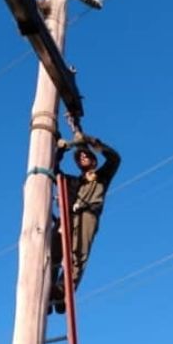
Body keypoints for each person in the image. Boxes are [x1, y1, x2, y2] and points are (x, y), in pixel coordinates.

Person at [50, 134, 121, 314]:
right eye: (79, 157)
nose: (82, 157)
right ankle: (49, 290)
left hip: (87, 215)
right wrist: (61, 150)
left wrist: (92, 142)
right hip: (67, 217)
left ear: (94, 160)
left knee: (77, 254)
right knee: (53, 252)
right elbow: (54, 171)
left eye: (86, 155)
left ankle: (63, 290)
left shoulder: (102, 177)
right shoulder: (73, 182)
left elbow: (114, 159)